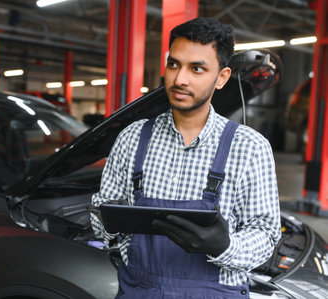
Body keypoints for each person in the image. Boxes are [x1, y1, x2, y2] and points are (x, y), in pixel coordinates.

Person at [90, 17, 281, 298]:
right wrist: (108, 220)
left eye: (197, 69)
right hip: (140, 290)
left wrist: (225, 246)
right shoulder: (132, 138)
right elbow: (100, 213)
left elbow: (266, 234)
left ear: (222, 77)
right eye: (174, 64)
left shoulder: (250, 147)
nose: (180, 79)